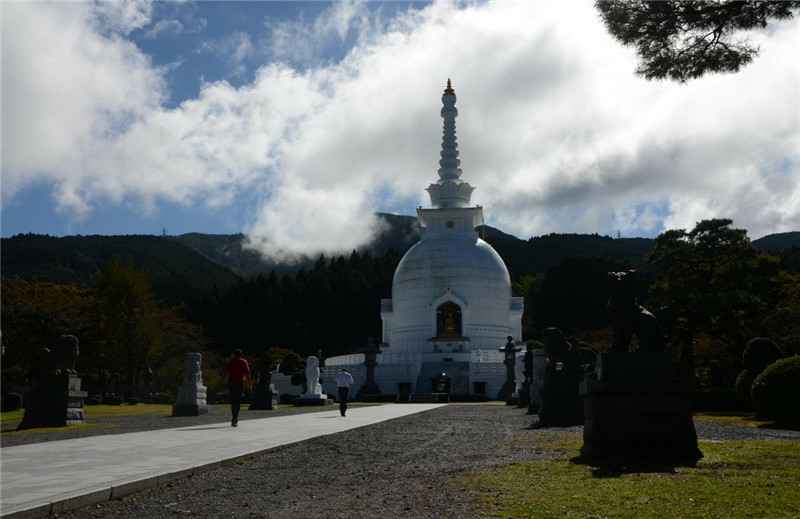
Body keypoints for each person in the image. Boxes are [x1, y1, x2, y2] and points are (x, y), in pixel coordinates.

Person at [226, 349, 251, 427]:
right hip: (239, 382)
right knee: (237, 401)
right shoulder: (243, 361)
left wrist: (224, 383)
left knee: (233, 401)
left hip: (231, 382)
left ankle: (234, 417)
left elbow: (227, 372)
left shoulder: (231, 361)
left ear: (234, 354)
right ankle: (235, 418)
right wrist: (249, 383)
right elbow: (247, 373)